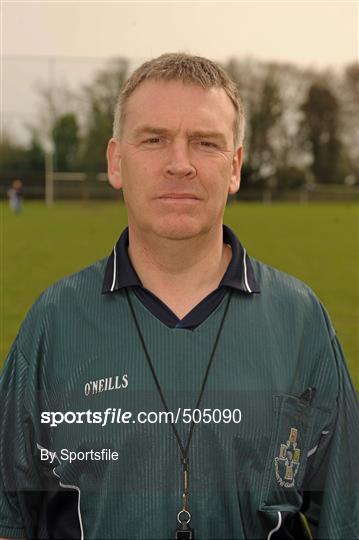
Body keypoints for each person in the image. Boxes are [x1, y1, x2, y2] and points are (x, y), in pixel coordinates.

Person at [0, 53, 358, 540]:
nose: (180, 164)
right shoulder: (54, 321)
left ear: (234, 167)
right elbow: (9, 515)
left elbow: (345, 515)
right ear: (116, 161)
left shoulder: (300, 320)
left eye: (205, 143)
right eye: (154, 139)